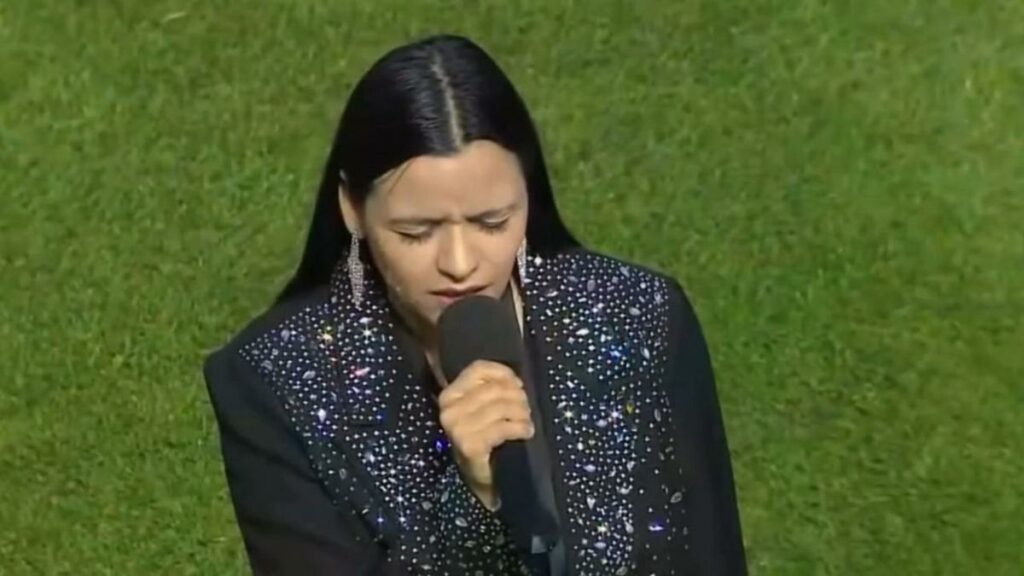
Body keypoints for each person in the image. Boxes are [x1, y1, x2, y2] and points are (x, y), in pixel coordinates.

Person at [203, 34, 746, 576]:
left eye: (492, 222)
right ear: (352, 209)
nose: (460, 264)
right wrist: (469, 507)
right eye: (416, 232)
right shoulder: (273, 381)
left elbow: (712, 554)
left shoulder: (640, 314)